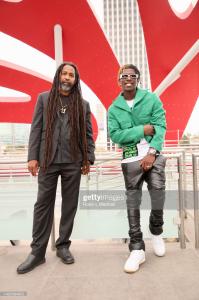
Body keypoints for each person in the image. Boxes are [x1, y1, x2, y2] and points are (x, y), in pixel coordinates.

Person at [17, 62, 95, 274]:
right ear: (58, 76)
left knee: (70, 205)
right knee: (43, 204)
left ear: (75, 80)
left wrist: (88, 157)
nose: (67, 77)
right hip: (48, 160)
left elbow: (88, 134)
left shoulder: (83, 104)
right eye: (65, 73)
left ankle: (63, 246)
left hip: (73, 161)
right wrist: (32, 156)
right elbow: (36, 129)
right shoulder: (44, 99)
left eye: (71, 75)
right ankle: (37, 253)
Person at [108, 64, 166, 273]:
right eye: (124, 76)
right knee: (133, 201)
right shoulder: (114, 108)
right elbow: (115, 135)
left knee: (158, 192)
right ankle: (136, 248)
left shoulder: (151, 99)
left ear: (138, 79)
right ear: (119, 80)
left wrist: (152, 152)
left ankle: (156, 231)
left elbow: (160, 125)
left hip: (153, 154)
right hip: (130, 157)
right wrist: (142, 129)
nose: (129, 78)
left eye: (133, 75)